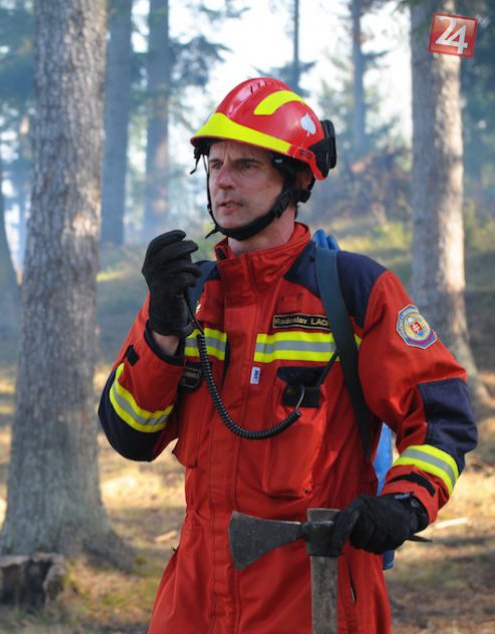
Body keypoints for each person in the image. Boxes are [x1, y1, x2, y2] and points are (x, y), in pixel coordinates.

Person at [97, 77, 478, 632]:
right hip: (195, 600)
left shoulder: (353, 291)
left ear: (295, 179)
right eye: (216, 163)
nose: (223, 182)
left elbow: (441, 416)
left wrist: (406, 503)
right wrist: (162, 332)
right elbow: (132, 434)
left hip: (315, 597)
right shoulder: (188, 297)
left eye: (246, 166)